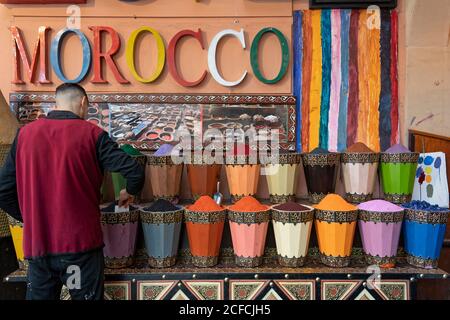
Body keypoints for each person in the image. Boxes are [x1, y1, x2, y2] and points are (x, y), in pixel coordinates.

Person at [0, 83, 145, 300]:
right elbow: (135, 171)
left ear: (56, 103)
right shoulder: (93, 135)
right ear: (83, 102)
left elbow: (2, 190)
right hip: (80, 250)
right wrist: (128, 192)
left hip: (39, 248)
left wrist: (30, 218)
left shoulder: (24, 136)